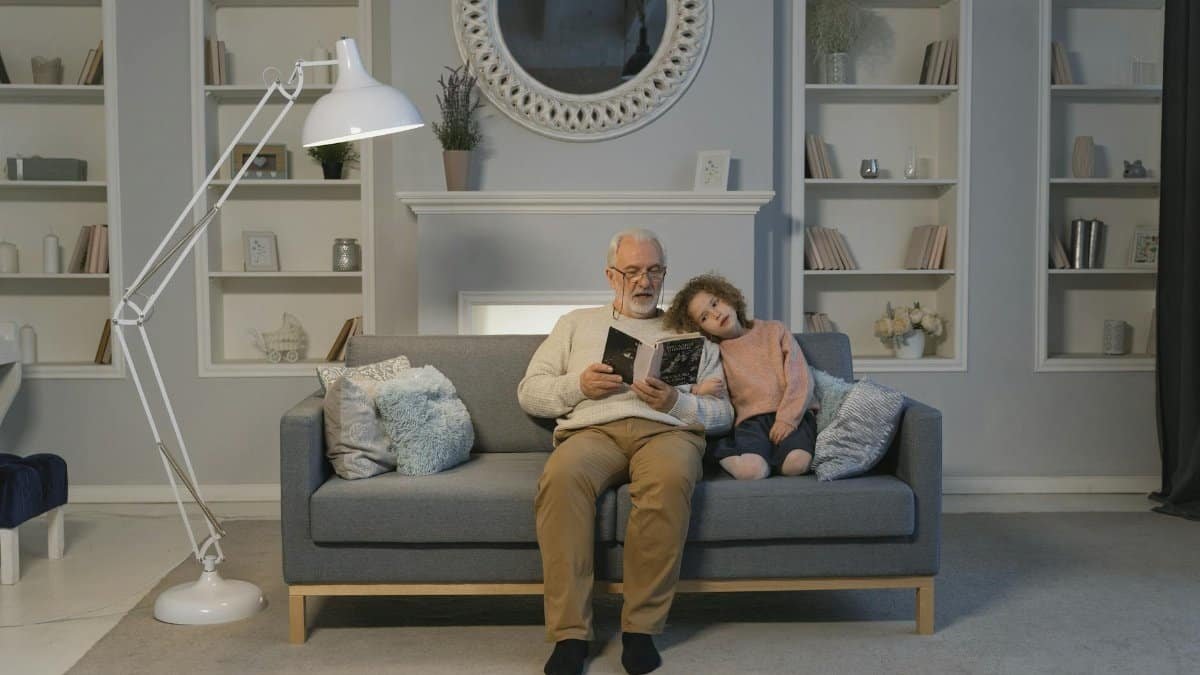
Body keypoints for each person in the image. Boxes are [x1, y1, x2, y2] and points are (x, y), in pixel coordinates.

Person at [517, 229, 733, 675]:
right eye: (632, 271)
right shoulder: (575, 323)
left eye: (653, 271)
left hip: (667, 432)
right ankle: (570, 636)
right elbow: (529, 393)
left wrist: (676, 402)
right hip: (594, 431)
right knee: (561, 479)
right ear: (611, 275)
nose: (643, 281)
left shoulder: (692, 328)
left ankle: (641, 630)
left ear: (665, 274)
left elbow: (723, 413)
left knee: (669, 481)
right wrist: (578, 385)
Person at [664, 273, 818, 480]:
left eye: (715, 303)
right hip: (750, 422)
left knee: (796, 464)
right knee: (752, 471)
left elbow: (800, 377)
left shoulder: (774, 330)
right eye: (704, 317)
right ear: (701, 329)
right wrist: (698, 390)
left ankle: (776, 457)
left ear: (728, 296)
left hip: (792, 414)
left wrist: (788, 419)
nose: (716, 314)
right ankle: (716, 451)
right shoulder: (714, 350)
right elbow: (690, 382)